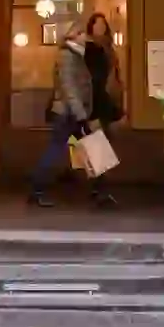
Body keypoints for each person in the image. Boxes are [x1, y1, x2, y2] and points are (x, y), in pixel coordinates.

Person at [29, 21, 99, 207]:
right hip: (69, 113)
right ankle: (37, 189)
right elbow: (69, 87)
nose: (86, 37)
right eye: (82, 33)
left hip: (73, 112)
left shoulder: (75, 54)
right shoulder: (67, 56)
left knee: (90, 147)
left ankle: (99, 189)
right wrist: (81, 115)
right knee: (57, 150)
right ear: (73, 35)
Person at [84, 13, 123, 205]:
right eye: (96, 24)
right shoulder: (90, 49)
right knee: (99, 145)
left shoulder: (107, 48)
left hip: (105, 100)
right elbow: (92, 78)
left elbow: (114, 74)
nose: (100, 28)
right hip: (95, 101)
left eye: (102, 25)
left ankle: (98, 187)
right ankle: (100, 189)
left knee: (101, 144)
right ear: (90, 28)